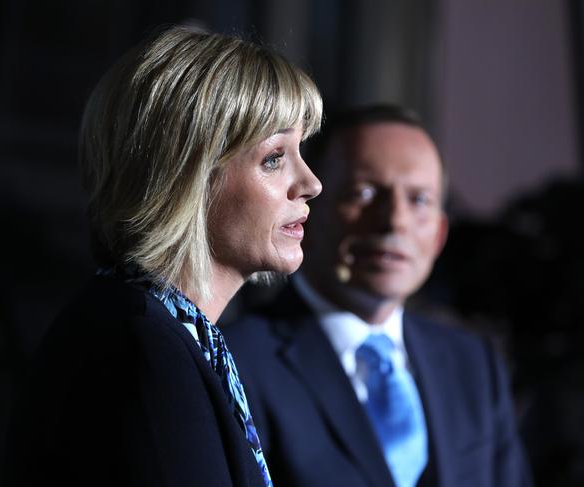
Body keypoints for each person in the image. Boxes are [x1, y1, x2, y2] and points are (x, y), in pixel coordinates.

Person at [4, 25, 322, 487]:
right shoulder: (144, 352)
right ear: (189, 177)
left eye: (301, 151)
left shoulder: (163, 332)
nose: (311, 183)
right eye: (274, 157)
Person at [225, 104, 533, 487]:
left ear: (439, 235)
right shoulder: (236, 362)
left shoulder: (473, 364)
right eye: (365, 192)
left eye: (419, 199)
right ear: (307, 213)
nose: (394, 221)